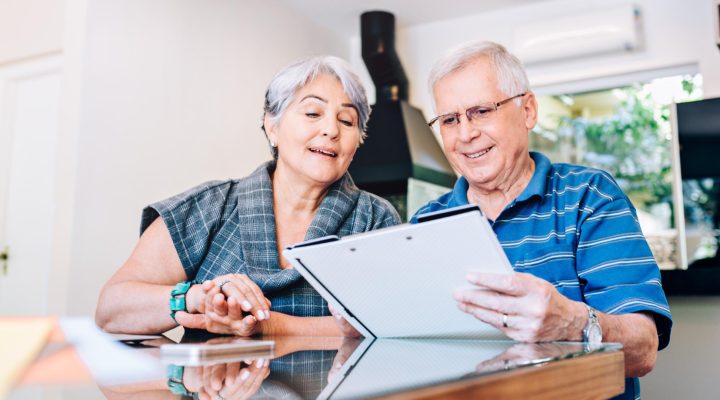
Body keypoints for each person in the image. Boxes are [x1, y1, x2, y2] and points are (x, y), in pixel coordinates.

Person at [413, 41, 672, 399]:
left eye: (481, 111)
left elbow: (643, 348)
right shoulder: (425, 223)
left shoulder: (590, 196)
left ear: (528, 111)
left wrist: (573, 323)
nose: (465, 134)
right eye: (450, 119)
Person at [95, 56, 401, 337]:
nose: (331, 129)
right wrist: (199, 297)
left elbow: (393, 323)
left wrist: (268, 325)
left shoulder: (375, 219)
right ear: (272, 126)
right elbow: (111, 309)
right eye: (312, 112)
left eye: (347, 121)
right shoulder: (210, 207)